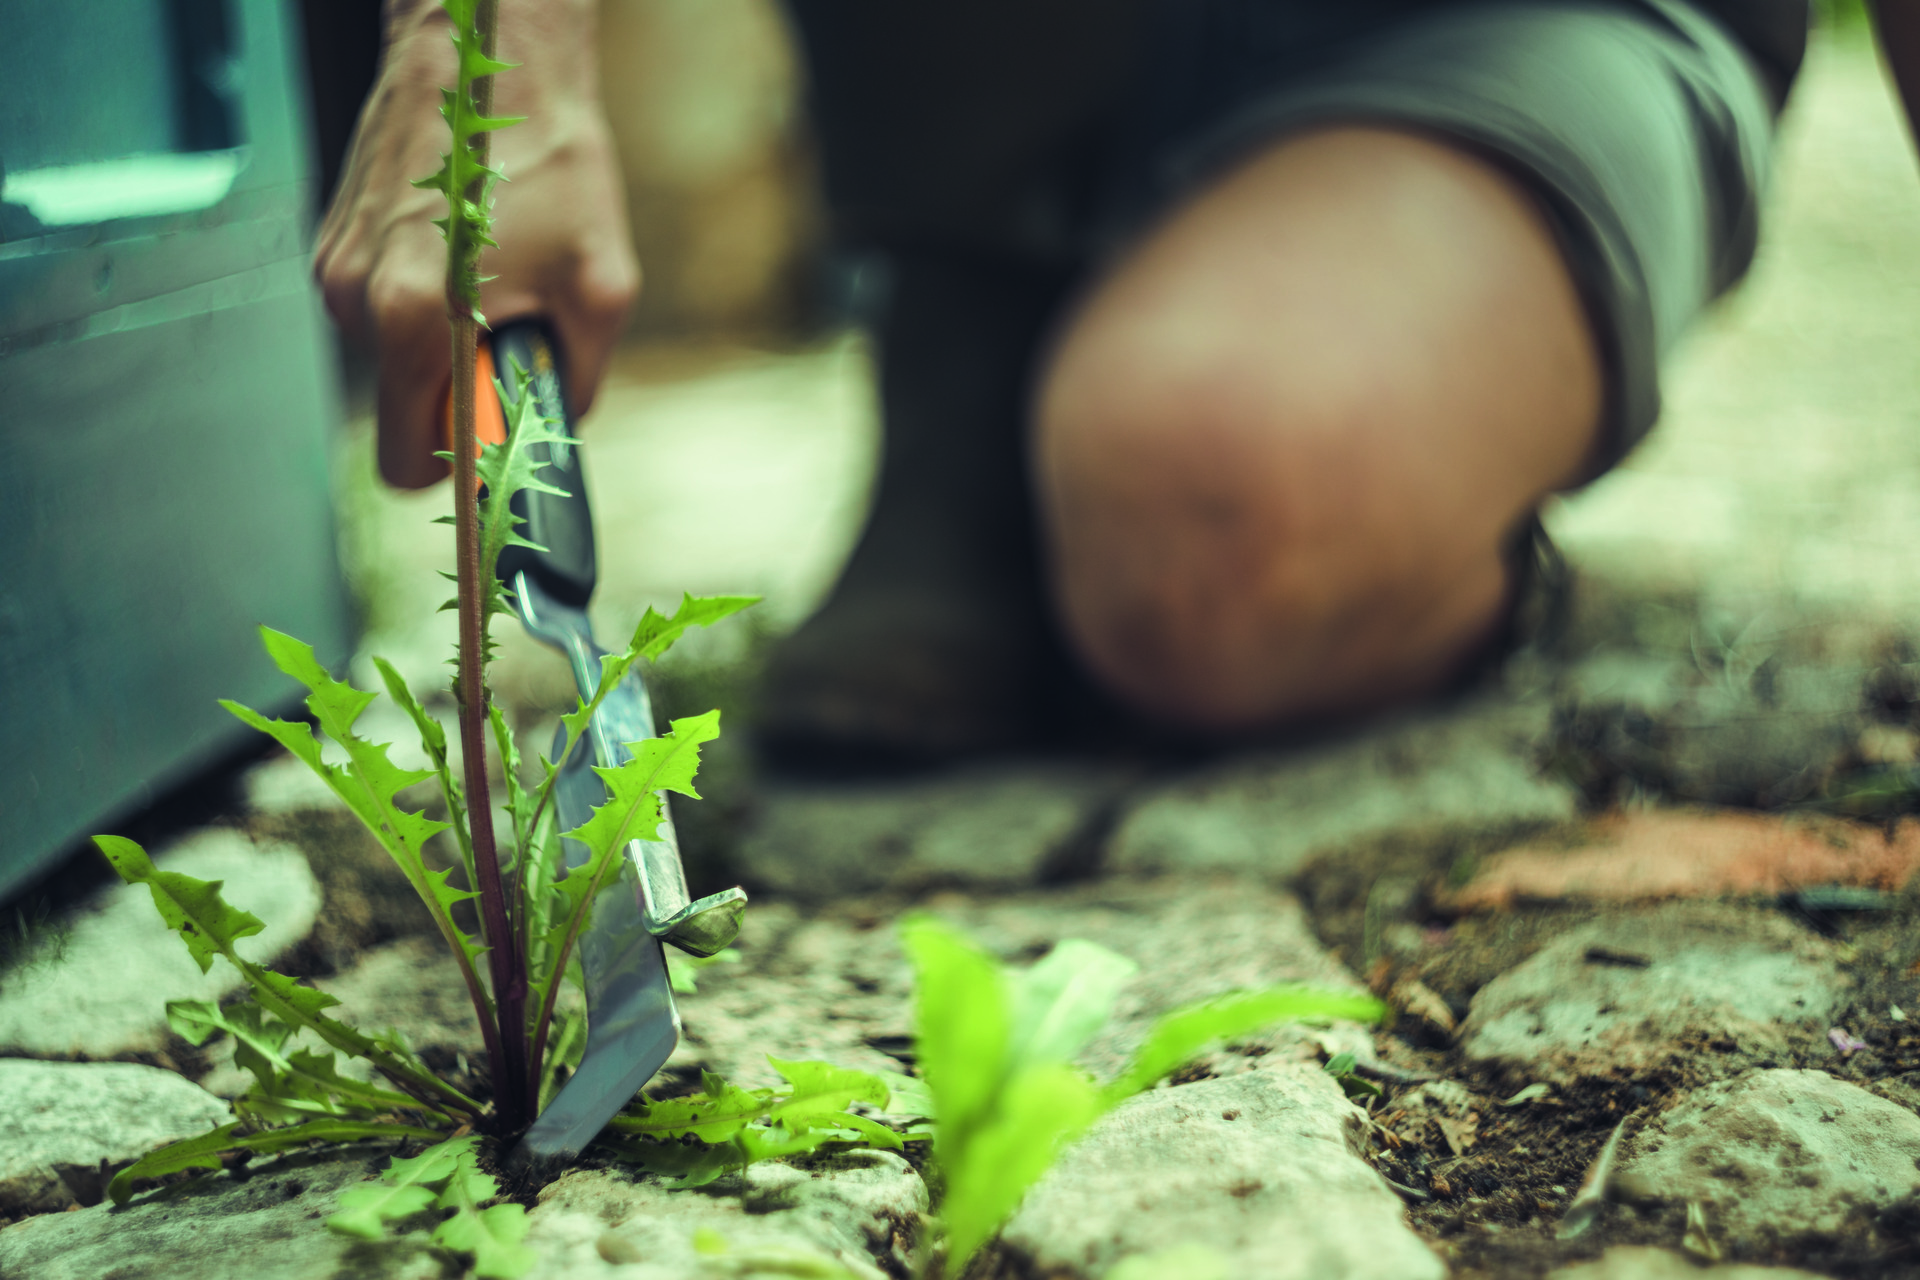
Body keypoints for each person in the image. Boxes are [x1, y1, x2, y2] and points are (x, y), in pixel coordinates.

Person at [319, 0, 1870, 766]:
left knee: (1215, 519)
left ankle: (1394, 490)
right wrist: (487, 59)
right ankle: (970, 321)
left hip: (1494, 27)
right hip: (977, 77)